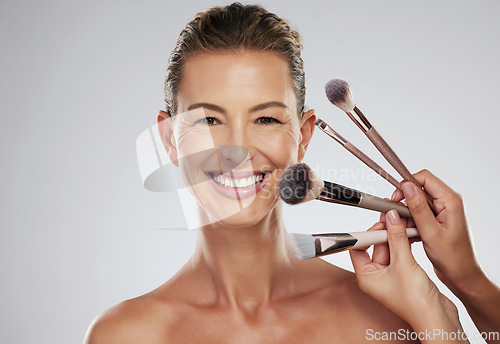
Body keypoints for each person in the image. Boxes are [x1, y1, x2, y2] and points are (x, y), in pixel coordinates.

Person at [84, 3, 499, 343]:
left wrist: (457, 292)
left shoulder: (390, 317)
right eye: (209, 121)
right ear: (169, 140)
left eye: (265, 120)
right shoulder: (125, 335)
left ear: (302, 137)